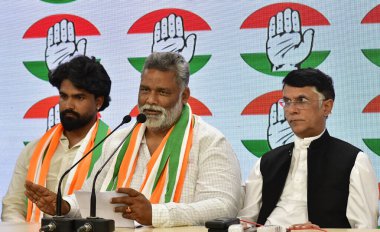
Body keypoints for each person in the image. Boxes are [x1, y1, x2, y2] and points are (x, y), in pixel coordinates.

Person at [24, 52, 242, 227]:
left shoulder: (210, 141)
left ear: (184, 96)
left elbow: (222, 206)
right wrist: (65, 206)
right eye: (145, 90)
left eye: (162, 92)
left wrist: (154, 214)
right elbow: (92, 197)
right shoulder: (119, 139)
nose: (150, 101)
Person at [238, 68, 379, 229]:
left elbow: (366, 228)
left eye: (301, 100)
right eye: (287, 101)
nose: (291, 110)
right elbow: (245, 221)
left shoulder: (354, 161)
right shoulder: (266, 162)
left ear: (326, 107)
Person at [2, 55, 112, 222]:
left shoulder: (114, 148)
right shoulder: (34, 149)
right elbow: (13, 206)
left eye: (79, 97)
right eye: (64, 96)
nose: (68, 105)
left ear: (98, 102)